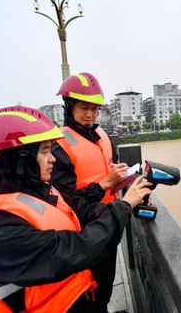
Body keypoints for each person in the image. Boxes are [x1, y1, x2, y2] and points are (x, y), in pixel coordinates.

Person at [0, 106, 151, 313]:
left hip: (79, 297)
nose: (53, 158)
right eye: (45, 151)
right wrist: (123, 205)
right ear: (20, 157)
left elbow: (77, 211)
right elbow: (72, 250)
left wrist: (122, 205)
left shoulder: (34, 189)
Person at [50, 72, 131, 312]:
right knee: (88, 291)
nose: (91, 115)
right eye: (85, 108)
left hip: (107, 222)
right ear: (69, 106)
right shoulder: (58, 145)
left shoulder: (103, 136)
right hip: (83, 233)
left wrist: (122, 175)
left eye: (95, 109)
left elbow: (110, 169)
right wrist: (104, 185)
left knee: (105, 283)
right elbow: (63, 202)